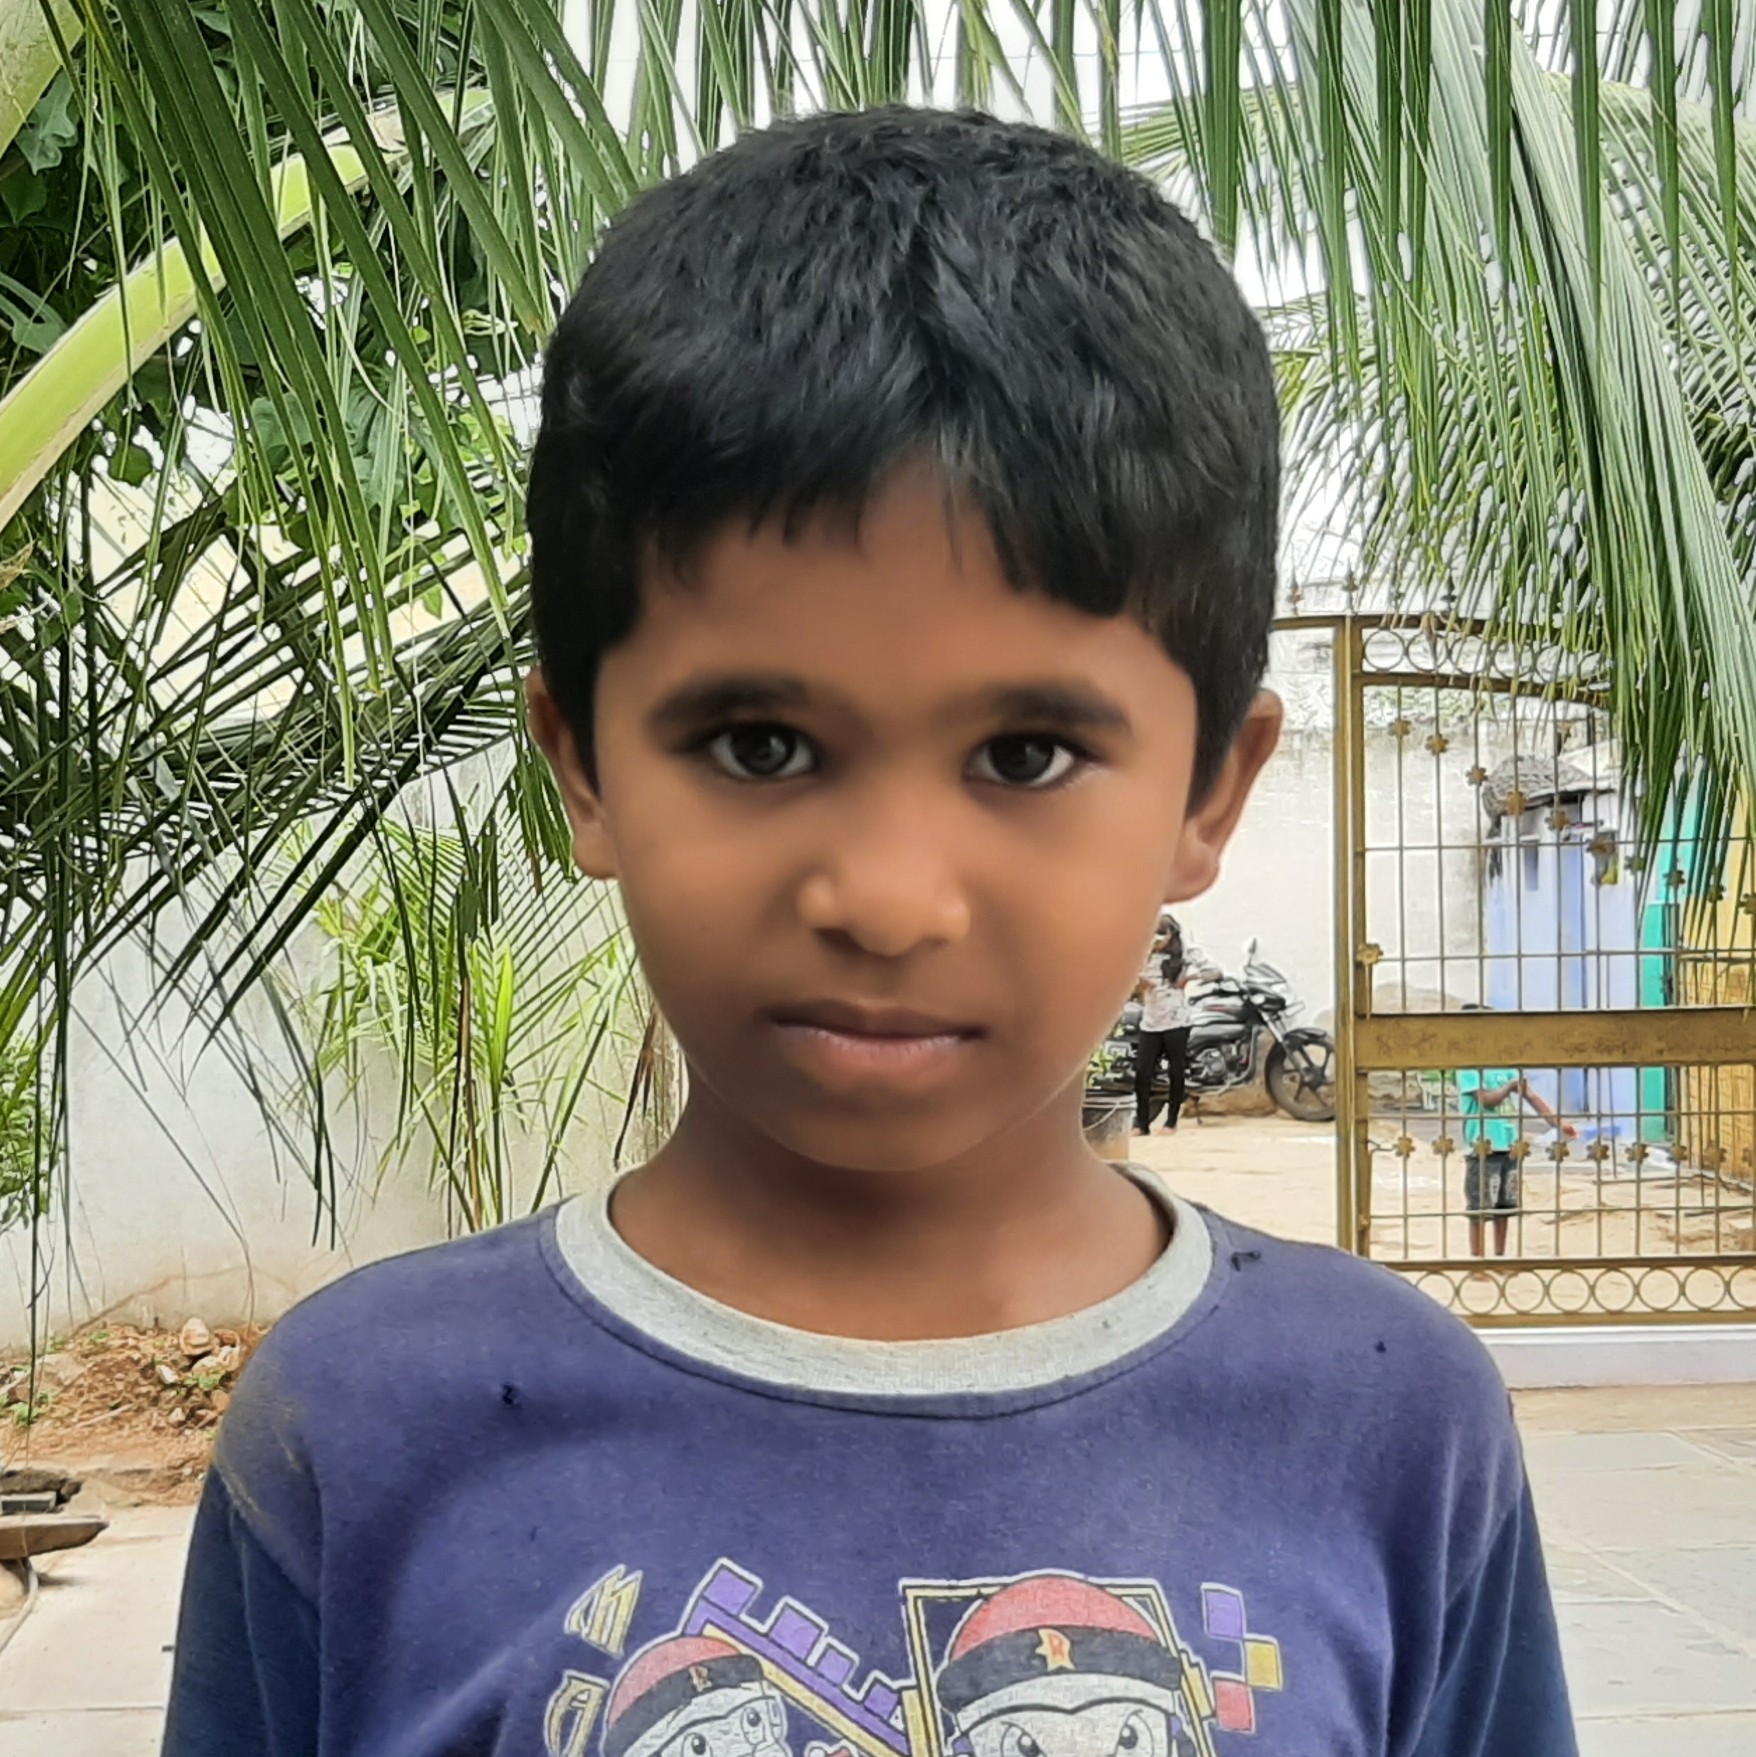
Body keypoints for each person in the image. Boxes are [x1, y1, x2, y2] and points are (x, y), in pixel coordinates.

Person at [162, 109, 1575, 1757]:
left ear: (1210, 791)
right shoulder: (363, 1431)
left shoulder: (1388, 1424)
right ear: (583, 765)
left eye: (1026, 755)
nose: (892, 899)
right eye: (759, 744)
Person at [1455, 1060, 1577, 1261]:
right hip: (1482, 1148)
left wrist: (1558, 1123)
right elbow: (1486, 1100)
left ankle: (1500, 1257)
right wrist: (1509, 1088)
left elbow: (1531, 1096)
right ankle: (1478, 1261)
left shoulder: (1507, 1067)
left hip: (1509, 1146)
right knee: (1480, 1208)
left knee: (1505, 1207)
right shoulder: (1470, 1068)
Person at [1133, 912, 1192, 1135]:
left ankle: (1171, 1121)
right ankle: (1141, 1123)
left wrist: (1189, 978)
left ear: (1171, 935)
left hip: (1176, 1020)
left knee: (1176, 1071)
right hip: (1151, 1020)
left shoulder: (1183, 955)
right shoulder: (1143, 955)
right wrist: (1139, 982)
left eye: (1161, 936)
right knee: (1142, 1071)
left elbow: (1212, 971)